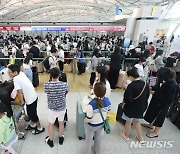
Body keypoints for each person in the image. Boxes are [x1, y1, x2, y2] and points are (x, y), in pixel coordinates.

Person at [8, 64, 45, 135]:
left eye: (10, 72)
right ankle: (33, 124)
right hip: (33, 96)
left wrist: (22, 101)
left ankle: (40, 128)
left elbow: (19, 91)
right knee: (30, 112)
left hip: (30, 99)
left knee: (32, 114)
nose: (9, 74)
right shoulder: (21, 73)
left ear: (15, 72)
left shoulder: (16, 79)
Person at [142, 67, 178, 138]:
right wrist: (152, 88)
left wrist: (155, 93)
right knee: (152, 112)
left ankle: (156, 132)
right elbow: (158, 86)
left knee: (159, 117)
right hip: (156, 100)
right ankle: (150, 124)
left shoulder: (173, 85)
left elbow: (169, 98)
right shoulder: (163, 80)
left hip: (163, 104)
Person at [121, 67, 150, 142]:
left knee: (128, 121)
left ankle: (126, 134)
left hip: (131, 107)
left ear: (131, 76)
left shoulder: (131, 85)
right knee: (137, 121)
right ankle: (140, 137)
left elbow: (128, 99)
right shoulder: (144, 84)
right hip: (141, 107)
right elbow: (147, 95)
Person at [84, 82, 111, 154]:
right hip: (102, 123)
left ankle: (86, 152)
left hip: (91, 126)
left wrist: (84, 121)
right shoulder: (108, 101)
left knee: (88, 140)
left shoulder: (91, 105)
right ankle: (97, 151)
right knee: (98, 138)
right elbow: (108, 111)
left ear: (94, 92)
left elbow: (88, 118)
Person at [44, 67, 69, 148]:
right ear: (60, 75)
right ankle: (61, 138)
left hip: (52, 109)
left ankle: (51, 140)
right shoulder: (64, 85)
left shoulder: (46, 85)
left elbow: (46, 92)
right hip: (62, 107)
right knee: (61, 123)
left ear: (50, 75)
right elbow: (66, 92)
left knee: (51, 124)